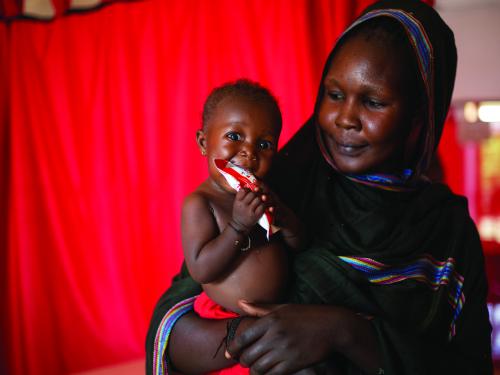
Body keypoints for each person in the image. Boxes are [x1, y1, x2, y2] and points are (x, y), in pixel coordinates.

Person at [146, 1, 493, 374]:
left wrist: (344, 332)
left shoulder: (448, 234)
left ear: (418, 115)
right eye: (334, 94)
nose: (345, 119)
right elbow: (171, 326)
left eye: (373, 102)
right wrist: (251, 334)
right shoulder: (276, 185)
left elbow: (471, 368)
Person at [181, 80, 304, 374]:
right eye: (234, 136)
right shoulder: (200, 203)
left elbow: (300, 245)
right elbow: (200, 269)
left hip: (277, 310)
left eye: (264, 144)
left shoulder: (265, 193)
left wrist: (285, 219)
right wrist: (237, 226)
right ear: (203, 143)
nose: (249, 153)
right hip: (226, 319)